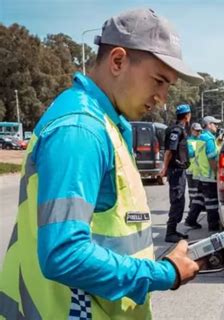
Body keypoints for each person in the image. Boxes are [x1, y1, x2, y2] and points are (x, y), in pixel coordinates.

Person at [0, 8, 203, 319]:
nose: (163, 97)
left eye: (168, 86)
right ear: (118, 61)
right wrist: (163, 273)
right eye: (159, 80)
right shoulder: (81, 130)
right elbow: (64, 254)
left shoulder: (106, 124)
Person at [161, 104, 193, 243]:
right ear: (187, 116)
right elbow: (169, 151)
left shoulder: (179, 129)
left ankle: (174, 231)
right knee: (177, 200)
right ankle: (170, 233)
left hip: (179, 170)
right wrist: (164, 168)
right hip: (175, 171)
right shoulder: (176, 130)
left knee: (180, 201)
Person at [187, 115, 222, 232]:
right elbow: (211, 158)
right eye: (214, 124)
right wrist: (217, 174)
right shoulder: (209, 139)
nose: (217, 126)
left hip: (202, 175)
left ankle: (190, 220)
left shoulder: (201, 138)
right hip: (209, 176)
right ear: (208, 125)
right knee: (212, 202)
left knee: (199, 198)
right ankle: (213, 226)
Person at [184, 122, 206, 229]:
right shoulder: (189, 141)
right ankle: (191, 218)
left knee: (197, 195)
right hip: (191, 171)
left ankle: (192, 217)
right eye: (197, 130)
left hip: (199, 171)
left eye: (200, 130)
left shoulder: (200, 140)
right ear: (192, 130)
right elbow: (191, 154)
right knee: (194, 195)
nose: (199, 132)